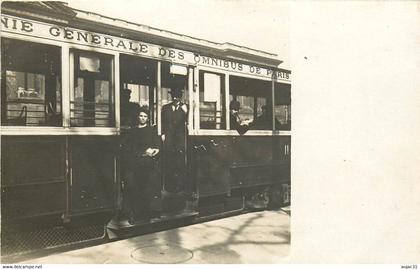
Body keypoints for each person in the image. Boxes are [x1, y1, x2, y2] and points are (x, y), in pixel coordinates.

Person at [121, 105, 160, 223]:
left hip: (148, 163)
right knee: (135, 188)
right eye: (141, 116)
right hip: (135, 164)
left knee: (147, 188)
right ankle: (134, 214)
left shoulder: (152, 131)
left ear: (148, 118)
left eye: (145, 116)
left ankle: (146, 214)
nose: (143, 118)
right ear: (137, 117)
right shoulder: (132, 131)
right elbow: (129, 148)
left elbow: (157, 146)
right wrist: (144, 151)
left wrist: (154, 151)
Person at [161, 87, 188, 193]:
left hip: (181, 139)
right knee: (169, 162)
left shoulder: (186, 108)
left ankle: (180, 186)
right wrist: (163, 133)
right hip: (169, 138)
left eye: (178, 96)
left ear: (180, 97)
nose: (176, 98)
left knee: (180, 162)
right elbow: (162, 122)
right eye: (174, 95)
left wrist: (186, 112)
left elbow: (190, 122)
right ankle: (169, 186)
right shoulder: (165, 108)